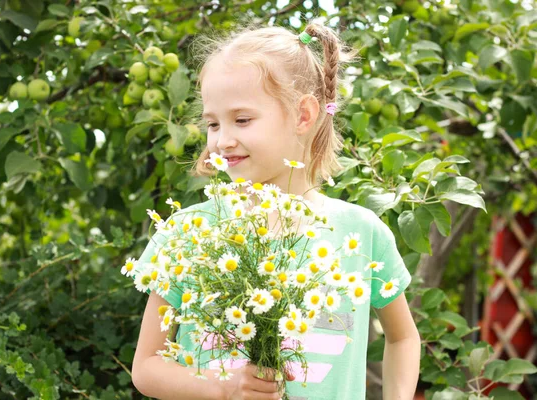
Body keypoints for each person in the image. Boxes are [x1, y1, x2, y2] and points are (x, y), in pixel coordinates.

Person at [130, 21, 421, 400]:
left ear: (303, 116)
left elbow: (402, 338)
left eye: (243, 119)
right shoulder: (188, 233)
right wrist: (224, 389)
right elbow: (147, 367)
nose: (222, 140)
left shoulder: (361, 233)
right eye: (212, 123)